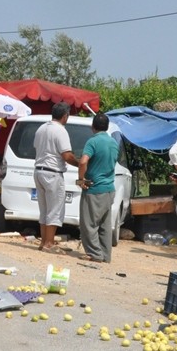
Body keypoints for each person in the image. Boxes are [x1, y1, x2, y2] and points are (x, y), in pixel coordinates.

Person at [33, 102, 79, 252]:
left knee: (44, 209)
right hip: (53, 172)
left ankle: (44, 242)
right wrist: (80, 164)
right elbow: (67, 155)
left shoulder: (41, 128)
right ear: (65, 116)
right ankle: (49, 243)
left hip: (39, 171)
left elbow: (36, 147)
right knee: (55, 210)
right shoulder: (60, 131)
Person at [77, 112, 120, 262]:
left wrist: (81, 179)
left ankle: (95, 254)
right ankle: (105, 256)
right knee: (104, 225)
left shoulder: (93, 141)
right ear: (107, 127)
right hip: (109, 189)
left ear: (93, 126)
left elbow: (83, 161)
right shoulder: (113, 143)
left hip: (94, 189)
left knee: (89, 224)